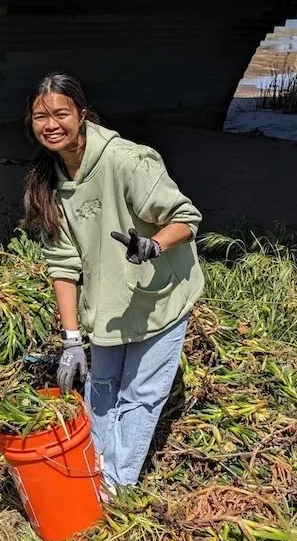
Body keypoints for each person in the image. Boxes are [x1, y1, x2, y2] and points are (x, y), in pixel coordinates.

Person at [19, 73, 203, 493]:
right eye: (40, 116)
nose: (51, 124)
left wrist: (153, 246)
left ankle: (117, 487)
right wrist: (70, 341)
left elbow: (186, 217)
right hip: (107, 304)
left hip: (159, 299)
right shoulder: (47, 180)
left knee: (140, 395)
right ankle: (93, 473)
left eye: (61, 113)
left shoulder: (127, 160)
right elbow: (63, 265)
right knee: (100, 387)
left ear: (82, 115)